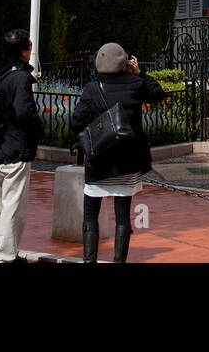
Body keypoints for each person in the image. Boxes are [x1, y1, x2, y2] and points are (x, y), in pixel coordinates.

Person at [70, 42, 165, 263]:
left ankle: (89, 260)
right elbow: (157, 94)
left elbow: (76, 121)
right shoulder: (135, 84)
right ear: (124, 63)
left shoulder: (92, 89)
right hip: (128, 161)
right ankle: (119, 260)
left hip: (99, 160)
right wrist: (140, 73)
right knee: (123, 215)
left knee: (91, 214)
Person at [0, 28, 42, 263]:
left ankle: (6, 250)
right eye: (29, 45)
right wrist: (37, 132)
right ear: (24, 50)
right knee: (13, 207)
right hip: (15, 147)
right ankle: (4, 256)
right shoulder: (19, 77)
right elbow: (25, 113)